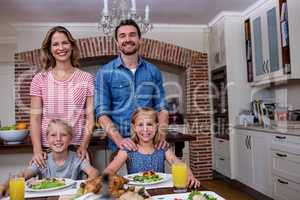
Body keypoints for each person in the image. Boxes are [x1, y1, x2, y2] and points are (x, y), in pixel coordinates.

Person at [94, 19, 169, 154]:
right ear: (117, 43)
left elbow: (162, 108)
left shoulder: (153, 71)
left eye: (132, 35)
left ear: (140, 40)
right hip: (119, 147)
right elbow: (101, 113)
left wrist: (161, 135)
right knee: (117, 176)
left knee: (154, 176)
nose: (127, 39)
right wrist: (119, 140)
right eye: (122, 36)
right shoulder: (104, 73)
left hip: (151, 146)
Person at [30, 26, 95, 167]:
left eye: (65, 43)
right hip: (48, 148)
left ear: (71, 46)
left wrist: (83, 146)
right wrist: (37, 149)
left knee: (80, 188)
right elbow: (35, 118)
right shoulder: (39, 79)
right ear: (49, 49)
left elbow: (90, 118)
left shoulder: (87, 78)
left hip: (77, 148)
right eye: (55, 44)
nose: (61, 47)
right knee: (48, 188)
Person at [103, 107, 200, 188]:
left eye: (149, 124)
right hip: (137, 193)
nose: (145, 129)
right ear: (134, 128)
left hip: (160, 192)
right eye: (140, 125)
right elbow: (110, 170)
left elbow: (179, 164)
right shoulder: (128, 149)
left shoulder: (162, 148)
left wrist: (190, 176)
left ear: (156, 126)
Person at [0, 119, 99, 197]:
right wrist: (4, 185)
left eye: (63, 135)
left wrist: (89, 184)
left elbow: (94, 172)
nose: (58, 139)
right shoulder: (42, 160)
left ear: (70, 139)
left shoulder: (77, 158)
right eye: (53, 135)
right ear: (47, 139)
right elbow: (23, 174)